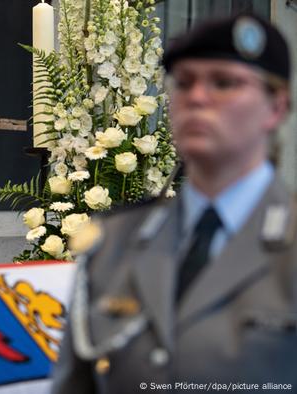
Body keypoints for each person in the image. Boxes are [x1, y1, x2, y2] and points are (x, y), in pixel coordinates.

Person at [52, 14, 295, 392]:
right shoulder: (114, 240)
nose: (197, 97)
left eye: (224, 82)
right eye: (183, 83)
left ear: (276, 107)